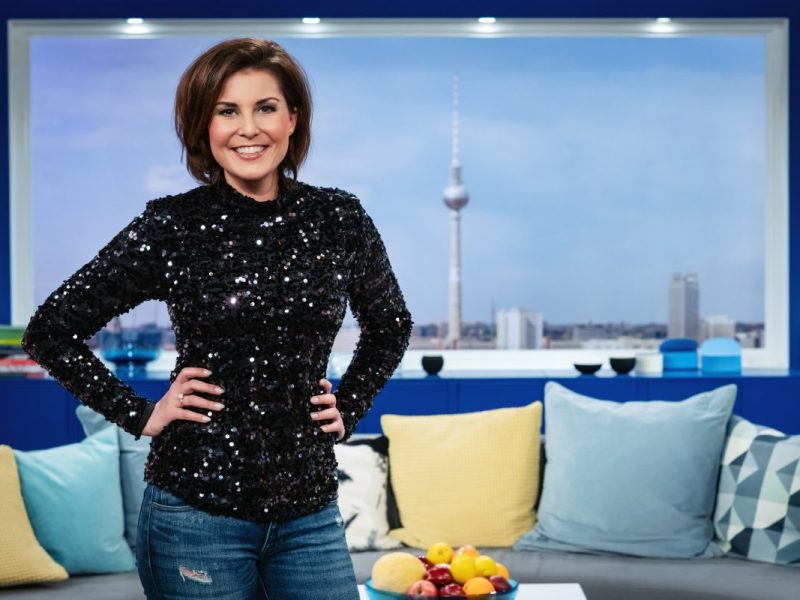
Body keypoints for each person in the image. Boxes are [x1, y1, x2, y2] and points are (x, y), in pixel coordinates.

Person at [21, 37, 413, 600]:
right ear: (203, 125)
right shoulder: (172, 225)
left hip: (310, 516)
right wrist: (140, 413)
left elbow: (391, 325)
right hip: (194, 515)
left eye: (265, 108)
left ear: (293, 118)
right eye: (227, 111)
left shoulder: (339, 218)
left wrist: (349, 406)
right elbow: (50, 331)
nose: (248, 129)